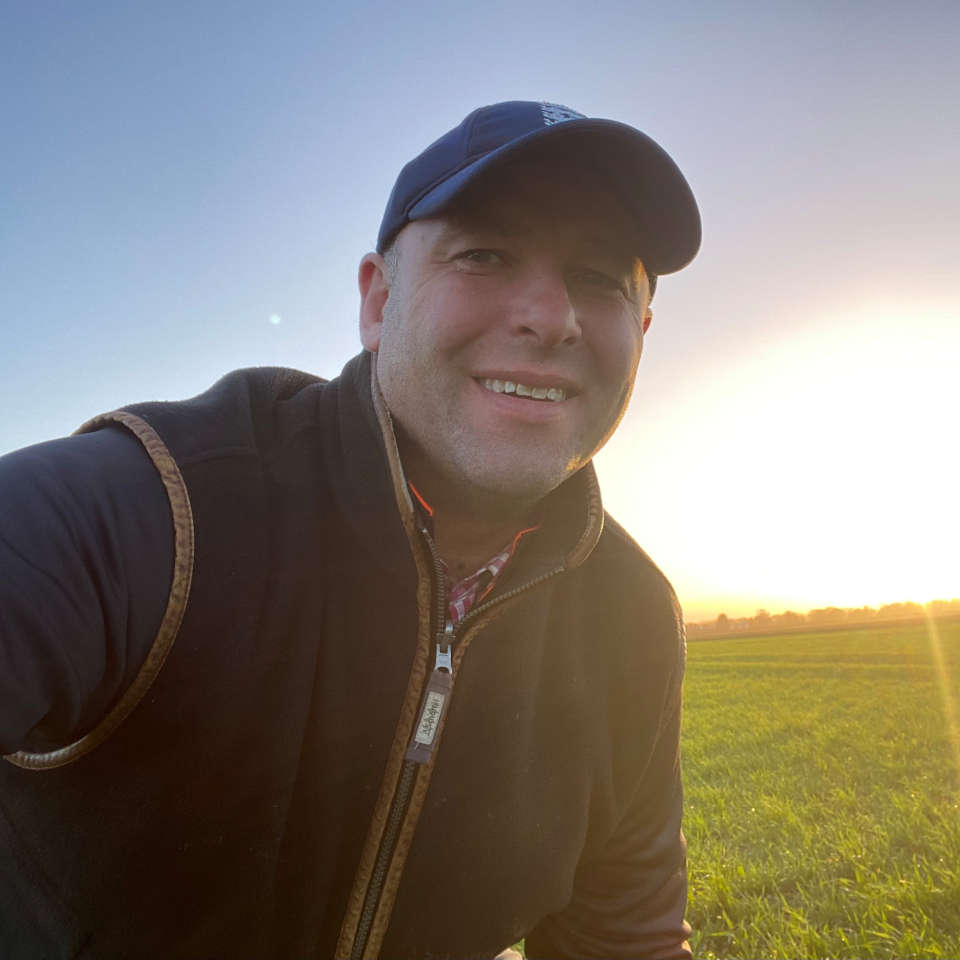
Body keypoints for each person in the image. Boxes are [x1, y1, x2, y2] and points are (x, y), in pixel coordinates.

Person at [0, 100, 701, 959]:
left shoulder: (632, 616)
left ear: (642, 332)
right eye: (484, 255)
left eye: (599, 279)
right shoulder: (158, 503)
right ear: (378, 300)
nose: (551, 317)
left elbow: (624, 939)